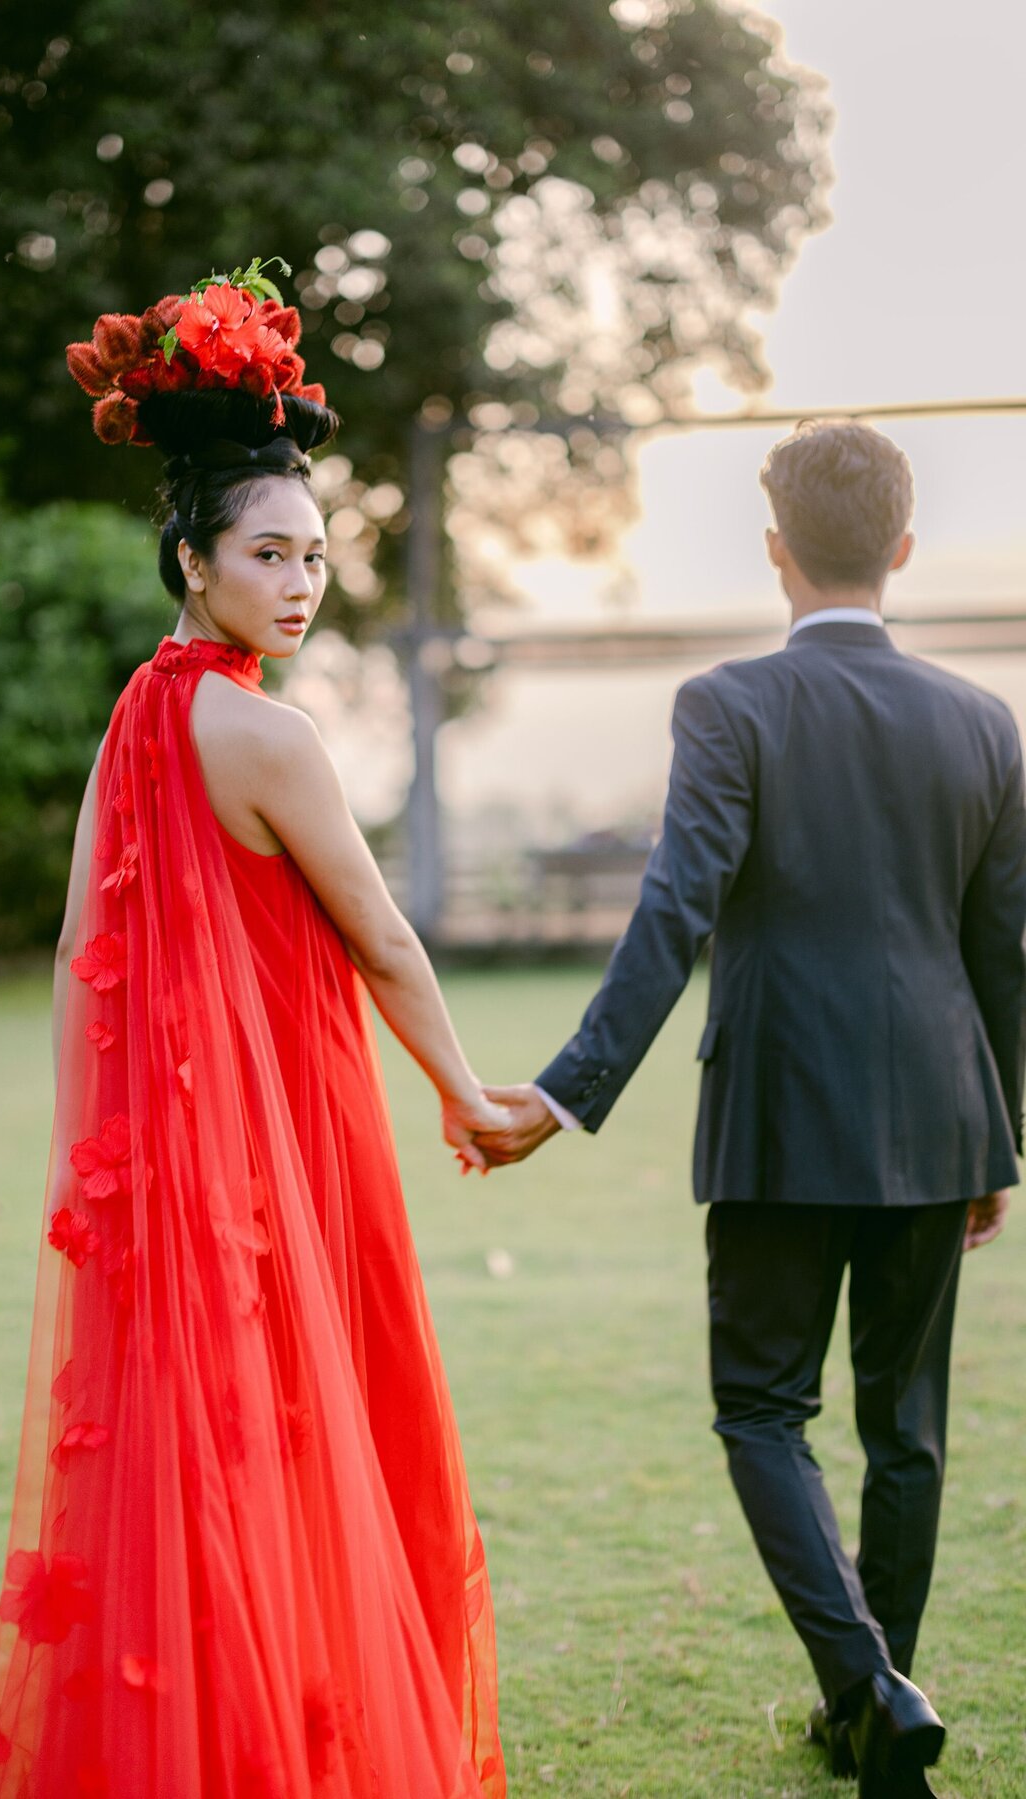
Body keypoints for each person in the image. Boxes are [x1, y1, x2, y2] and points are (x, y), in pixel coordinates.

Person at [0, 266, 507, 1798]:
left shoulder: (143, 718)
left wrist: (114, 1153)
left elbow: (84, 948)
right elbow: (384, 938)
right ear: (193, 563)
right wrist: (464, 1093)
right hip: (287, 1152)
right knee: (313, 1434)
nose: (300, 582)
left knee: (202, 1457)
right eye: (267, 554)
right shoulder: (269, 735)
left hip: (174, 1173)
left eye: (317, 556)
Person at [475, 420, 1026, 1798]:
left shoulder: (730, 704)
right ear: (903, 550)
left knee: (760, 1410)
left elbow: (677, 909)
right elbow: (1005, 946)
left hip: (781, 1114)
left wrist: (564, 1089)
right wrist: (1000, 1135)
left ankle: (866, 1694)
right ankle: (876, 1700)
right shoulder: (985, 722)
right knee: (906, 1428)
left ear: (775, 550)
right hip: (939, 1117)